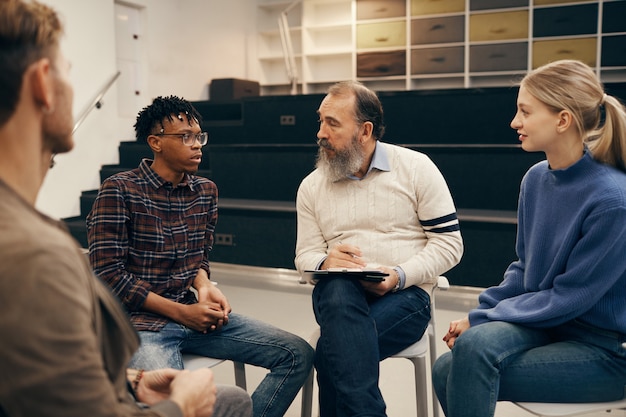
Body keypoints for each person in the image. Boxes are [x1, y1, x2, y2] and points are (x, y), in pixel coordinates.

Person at [0, 1, 252, 417]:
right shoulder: (36, 254)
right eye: (67, 69)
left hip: (128, 377)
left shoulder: (28, 234)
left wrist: (131, 379)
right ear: (43, 83)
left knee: (238, 398)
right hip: (147, 338)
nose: (194, 145)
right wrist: (182, 407)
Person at [86, 95, 315, 417]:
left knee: (298, 354)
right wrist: (181, 312)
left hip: (192, 315)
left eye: (199, 136)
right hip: (140, 325)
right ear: (156, 143)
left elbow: (198, 256)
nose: (197, 145)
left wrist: (205, 285)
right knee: (174, 405)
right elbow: (108, 273)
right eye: (185, 137)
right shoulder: (119, 189)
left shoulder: (205, 191)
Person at [432, 59, 626, 417]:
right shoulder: (536, 179)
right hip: (550, 326)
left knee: (461, 361)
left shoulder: (612, 200)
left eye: (524, 111)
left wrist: (481, 320)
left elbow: (571, 296)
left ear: (562, 120)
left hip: (607, 351)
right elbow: (525, 269)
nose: (514, 122)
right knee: (450, 365)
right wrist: (484, 311)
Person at [294, 80, 464, 417]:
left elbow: (450, 244)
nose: (321, 133)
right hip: (340, 297)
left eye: (333, 123)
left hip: (407, 297)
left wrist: (399, 275)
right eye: (321, 121)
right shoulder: (312, 186)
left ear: (364, 130)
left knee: (331, 355)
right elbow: (304, 257)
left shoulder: (417, 168)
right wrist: (326, 260)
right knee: (337, 288)